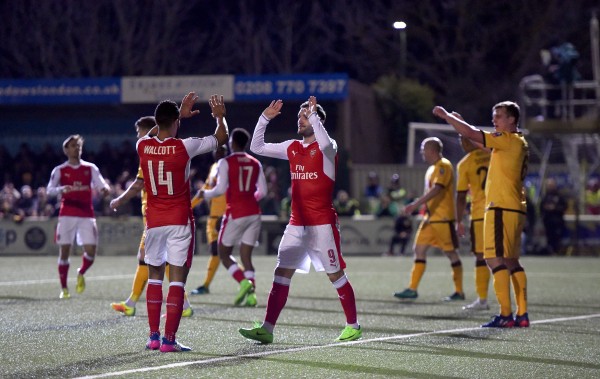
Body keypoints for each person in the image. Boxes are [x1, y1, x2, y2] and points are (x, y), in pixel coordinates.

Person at [240, 96, 362, 344]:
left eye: (305, 116)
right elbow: (257, 147)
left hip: (322, 224)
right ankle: (267, 328)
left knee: (335, 274)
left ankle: (353, 326)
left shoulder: (329, 148)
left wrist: (314, 114)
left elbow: (326, 143)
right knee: (281, 273)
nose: (300, 119)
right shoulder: (293, 147)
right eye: (300, 116)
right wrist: (264, 118)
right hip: (296, 224)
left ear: (318, 120)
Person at [137, 92, 229, 352]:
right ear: (176, 121)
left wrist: (177, 114)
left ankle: (153, 337)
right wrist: (220, 117)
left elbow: (155, 130)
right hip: (179, 220)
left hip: (154, 221)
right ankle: (169, 340)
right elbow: (221, 138)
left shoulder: (142, 146)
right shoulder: (184, 146)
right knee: (177, 280)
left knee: (154, 277)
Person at [433, 101, 530, 328]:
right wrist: (460, 120)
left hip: (500, 207)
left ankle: (506, 315)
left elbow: (471, 134)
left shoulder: (507, 140)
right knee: (511, 260)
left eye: (499, 116)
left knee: (492, 259)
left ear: (512, 120)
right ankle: (522, 314)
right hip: (515, 207)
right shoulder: (518, 142)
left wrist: (447, 116)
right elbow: (479, 141)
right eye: (493, 116)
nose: (494, 120)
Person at [108, 116, 193, 318]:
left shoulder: (148, 151)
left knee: (153, 260)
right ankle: (133, 302)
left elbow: (138, 184)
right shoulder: (169, 150)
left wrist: (119, 200)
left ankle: (181, 304)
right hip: (161, 214)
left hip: (156, 215)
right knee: (151, 260)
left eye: (139, 131)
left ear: (148, 130)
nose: (138, 135)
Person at [197, 128, 267, 307]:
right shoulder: (255, 162)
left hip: (236, 212)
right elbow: (263, 191)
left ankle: (244, 283)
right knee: (246, 257)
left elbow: (220, 190)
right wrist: (250, 198)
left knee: (224, 253)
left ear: (232, 143)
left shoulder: (225, 163)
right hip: (254, 212)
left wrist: (204, 194)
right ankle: (252, 296)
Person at [393, 137, 464, 302]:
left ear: (431, 150)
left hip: (442, 218)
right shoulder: (431, 169)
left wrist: (415, 204)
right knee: (418, 249)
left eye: (423, 149)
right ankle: (412, 289)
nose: (421, 153)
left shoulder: (444, 166)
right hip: (430, 218)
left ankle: (459, 291)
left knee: (451, 253)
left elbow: (438, 189)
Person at [47, 135, 110, 299]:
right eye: (73, 146)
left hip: (86, 213)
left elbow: (101, 184)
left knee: (91, 250)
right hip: (67, 213)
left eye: (79, 146)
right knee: (65, 251)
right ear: (66, 150)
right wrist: (61, 189)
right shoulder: (60, 170)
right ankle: (64, 289)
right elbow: (49, 190)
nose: (77, 148)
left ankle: (81, 272)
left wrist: (105, 190)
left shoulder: (90, 168)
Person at [455, 135, 492, 310]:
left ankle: (483, 299)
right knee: (505, 257)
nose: (461, 144)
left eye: (462, 140)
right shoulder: (493, 153)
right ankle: (513, 304)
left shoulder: (465, 163)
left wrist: (459, 220)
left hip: (480, 214)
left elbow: (461, 195)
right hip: (500, 209)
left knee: (480, 256)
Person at [190, 145, 228, 295]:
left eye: (221, 150)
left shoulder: (228, 168)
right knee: (219, 254)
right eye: (217, 150)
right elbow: (205, 190)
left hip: (223, 216)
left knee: (219, 253)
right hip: (213, 216)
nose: (218, 152)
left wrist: (226, 214)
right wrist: (189, 207)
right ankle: (247, 282)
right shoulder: (214, 167)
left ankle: (247, 282)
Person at [540, 177, 567, 254]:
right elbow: (541, 208)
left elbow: (564, 207)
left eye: (551, 185)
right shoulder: (545, 197)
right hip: (548, 222)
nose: (550, 187)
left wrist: (555, 208)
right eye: (548, 185)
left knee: (557, 238)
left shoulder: (559, 196)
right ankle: (551, 252)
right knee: (549, 238)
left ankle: (557, 251)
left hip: (558, 221)